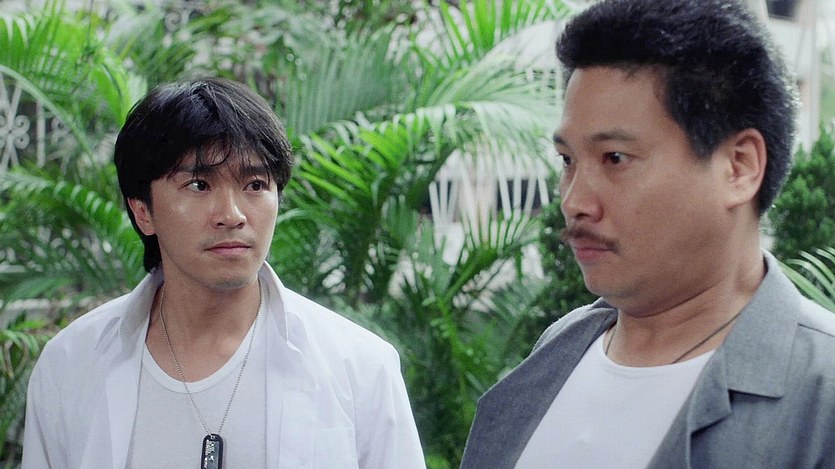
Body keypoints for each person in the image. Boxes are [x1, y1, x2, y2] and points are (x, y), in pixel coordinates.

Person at [461, 0, 835, 468]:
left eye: (614, 159)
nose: (574, 201)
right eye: (567, 160)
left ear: (739, 167)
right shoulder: (559, 349)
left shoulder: (821, 394)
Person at [22, 78, 426, 469]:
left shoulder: (360, 367)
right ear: (143, 211)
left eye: (255, 185)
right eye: (200, 185)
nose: (232, 215)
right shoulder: (71, 364)